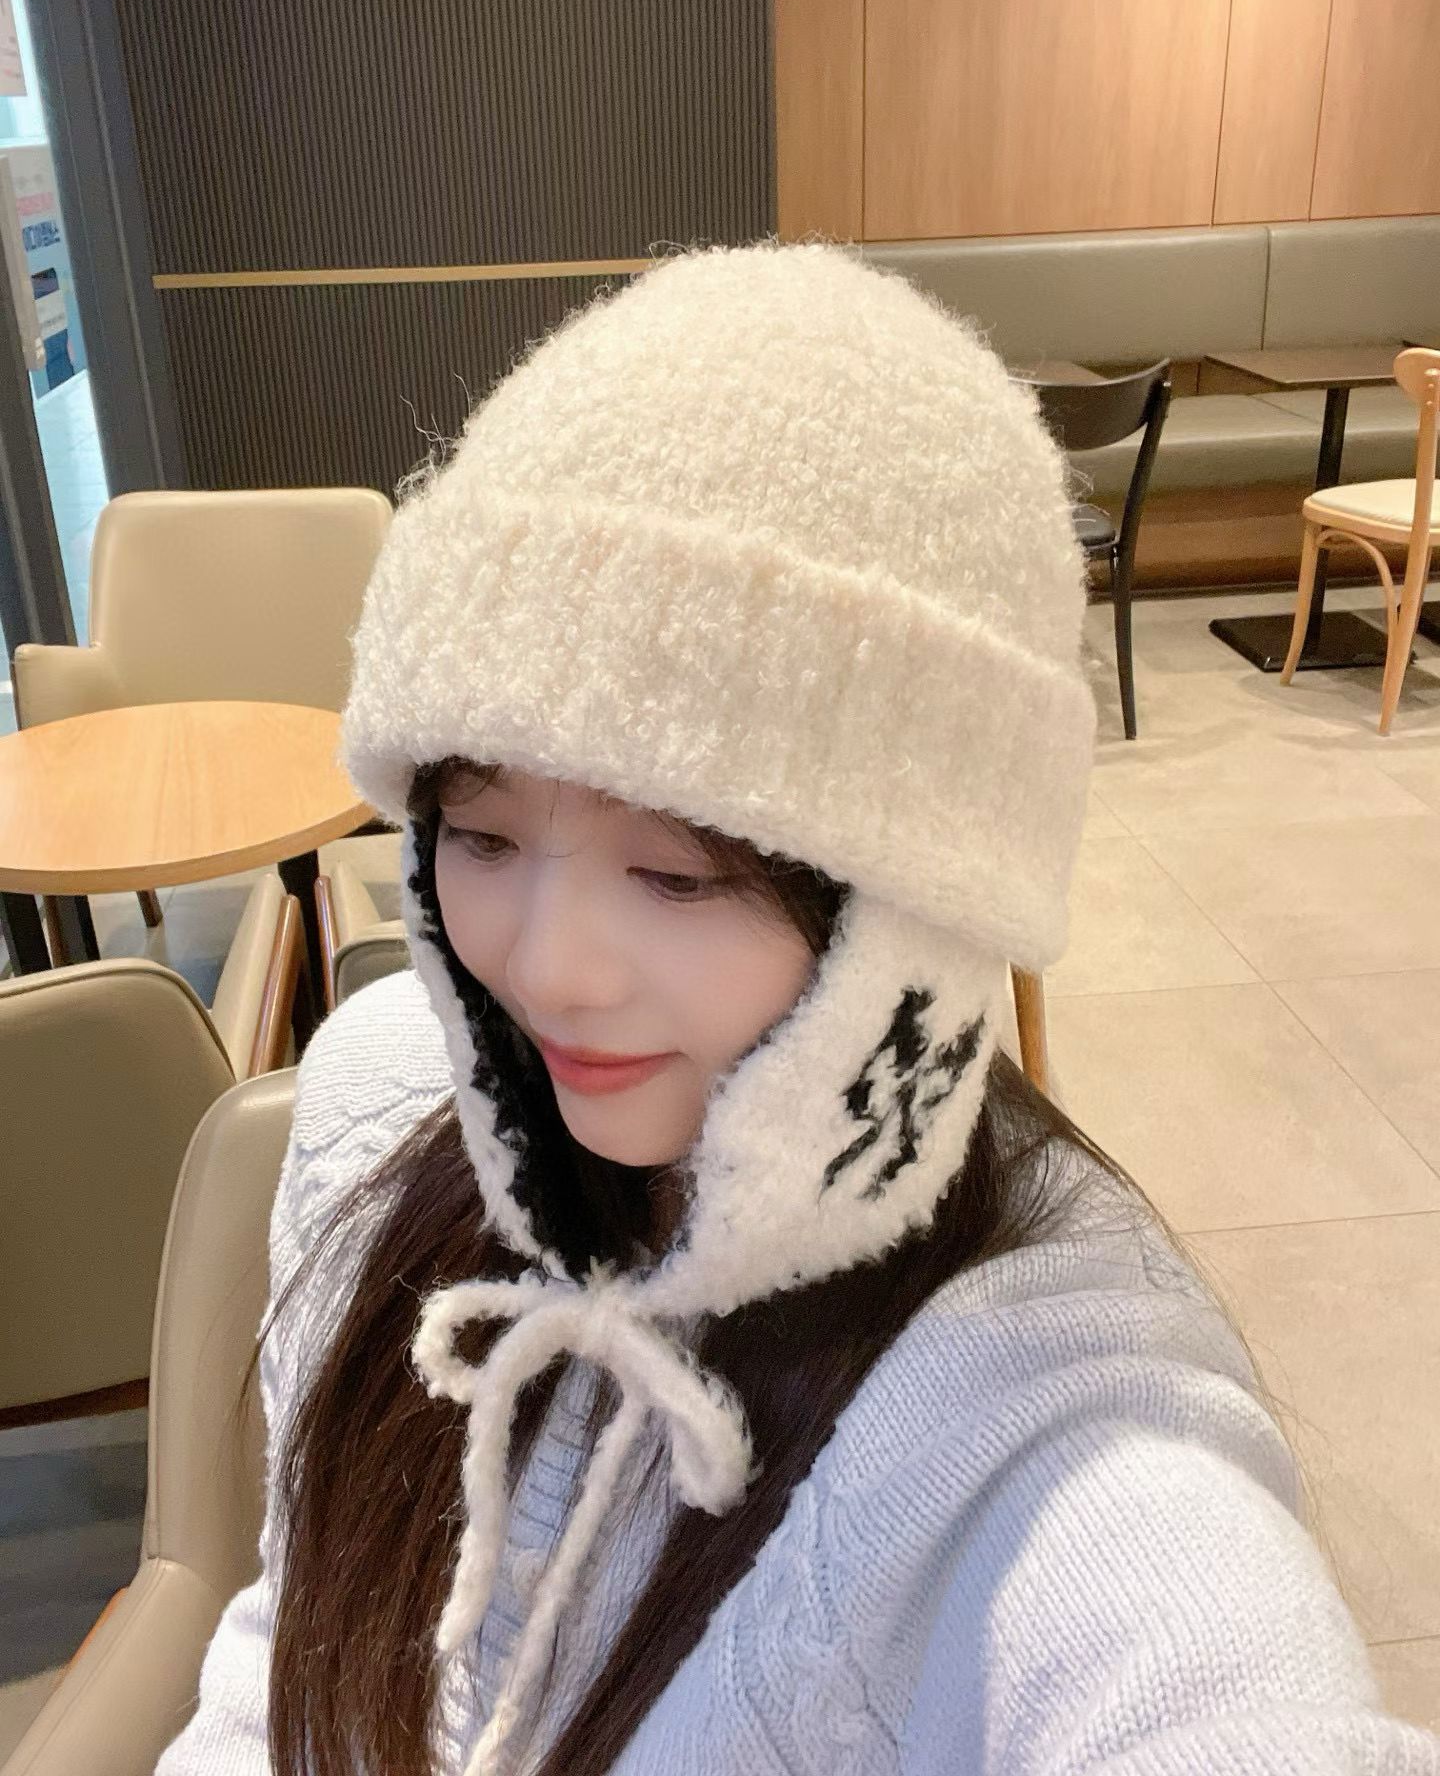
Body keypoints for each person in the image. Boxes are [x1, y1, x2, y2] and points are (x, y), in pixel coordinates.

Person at [156, 240, 1440, 1776]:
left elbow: (1207, 1684)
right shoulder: (373, 1094)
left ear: (917, 909)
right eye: (482, 838)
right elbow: (287, 1636)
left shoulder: (1046, 1424)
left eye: (677, 874)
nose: (548, 968)